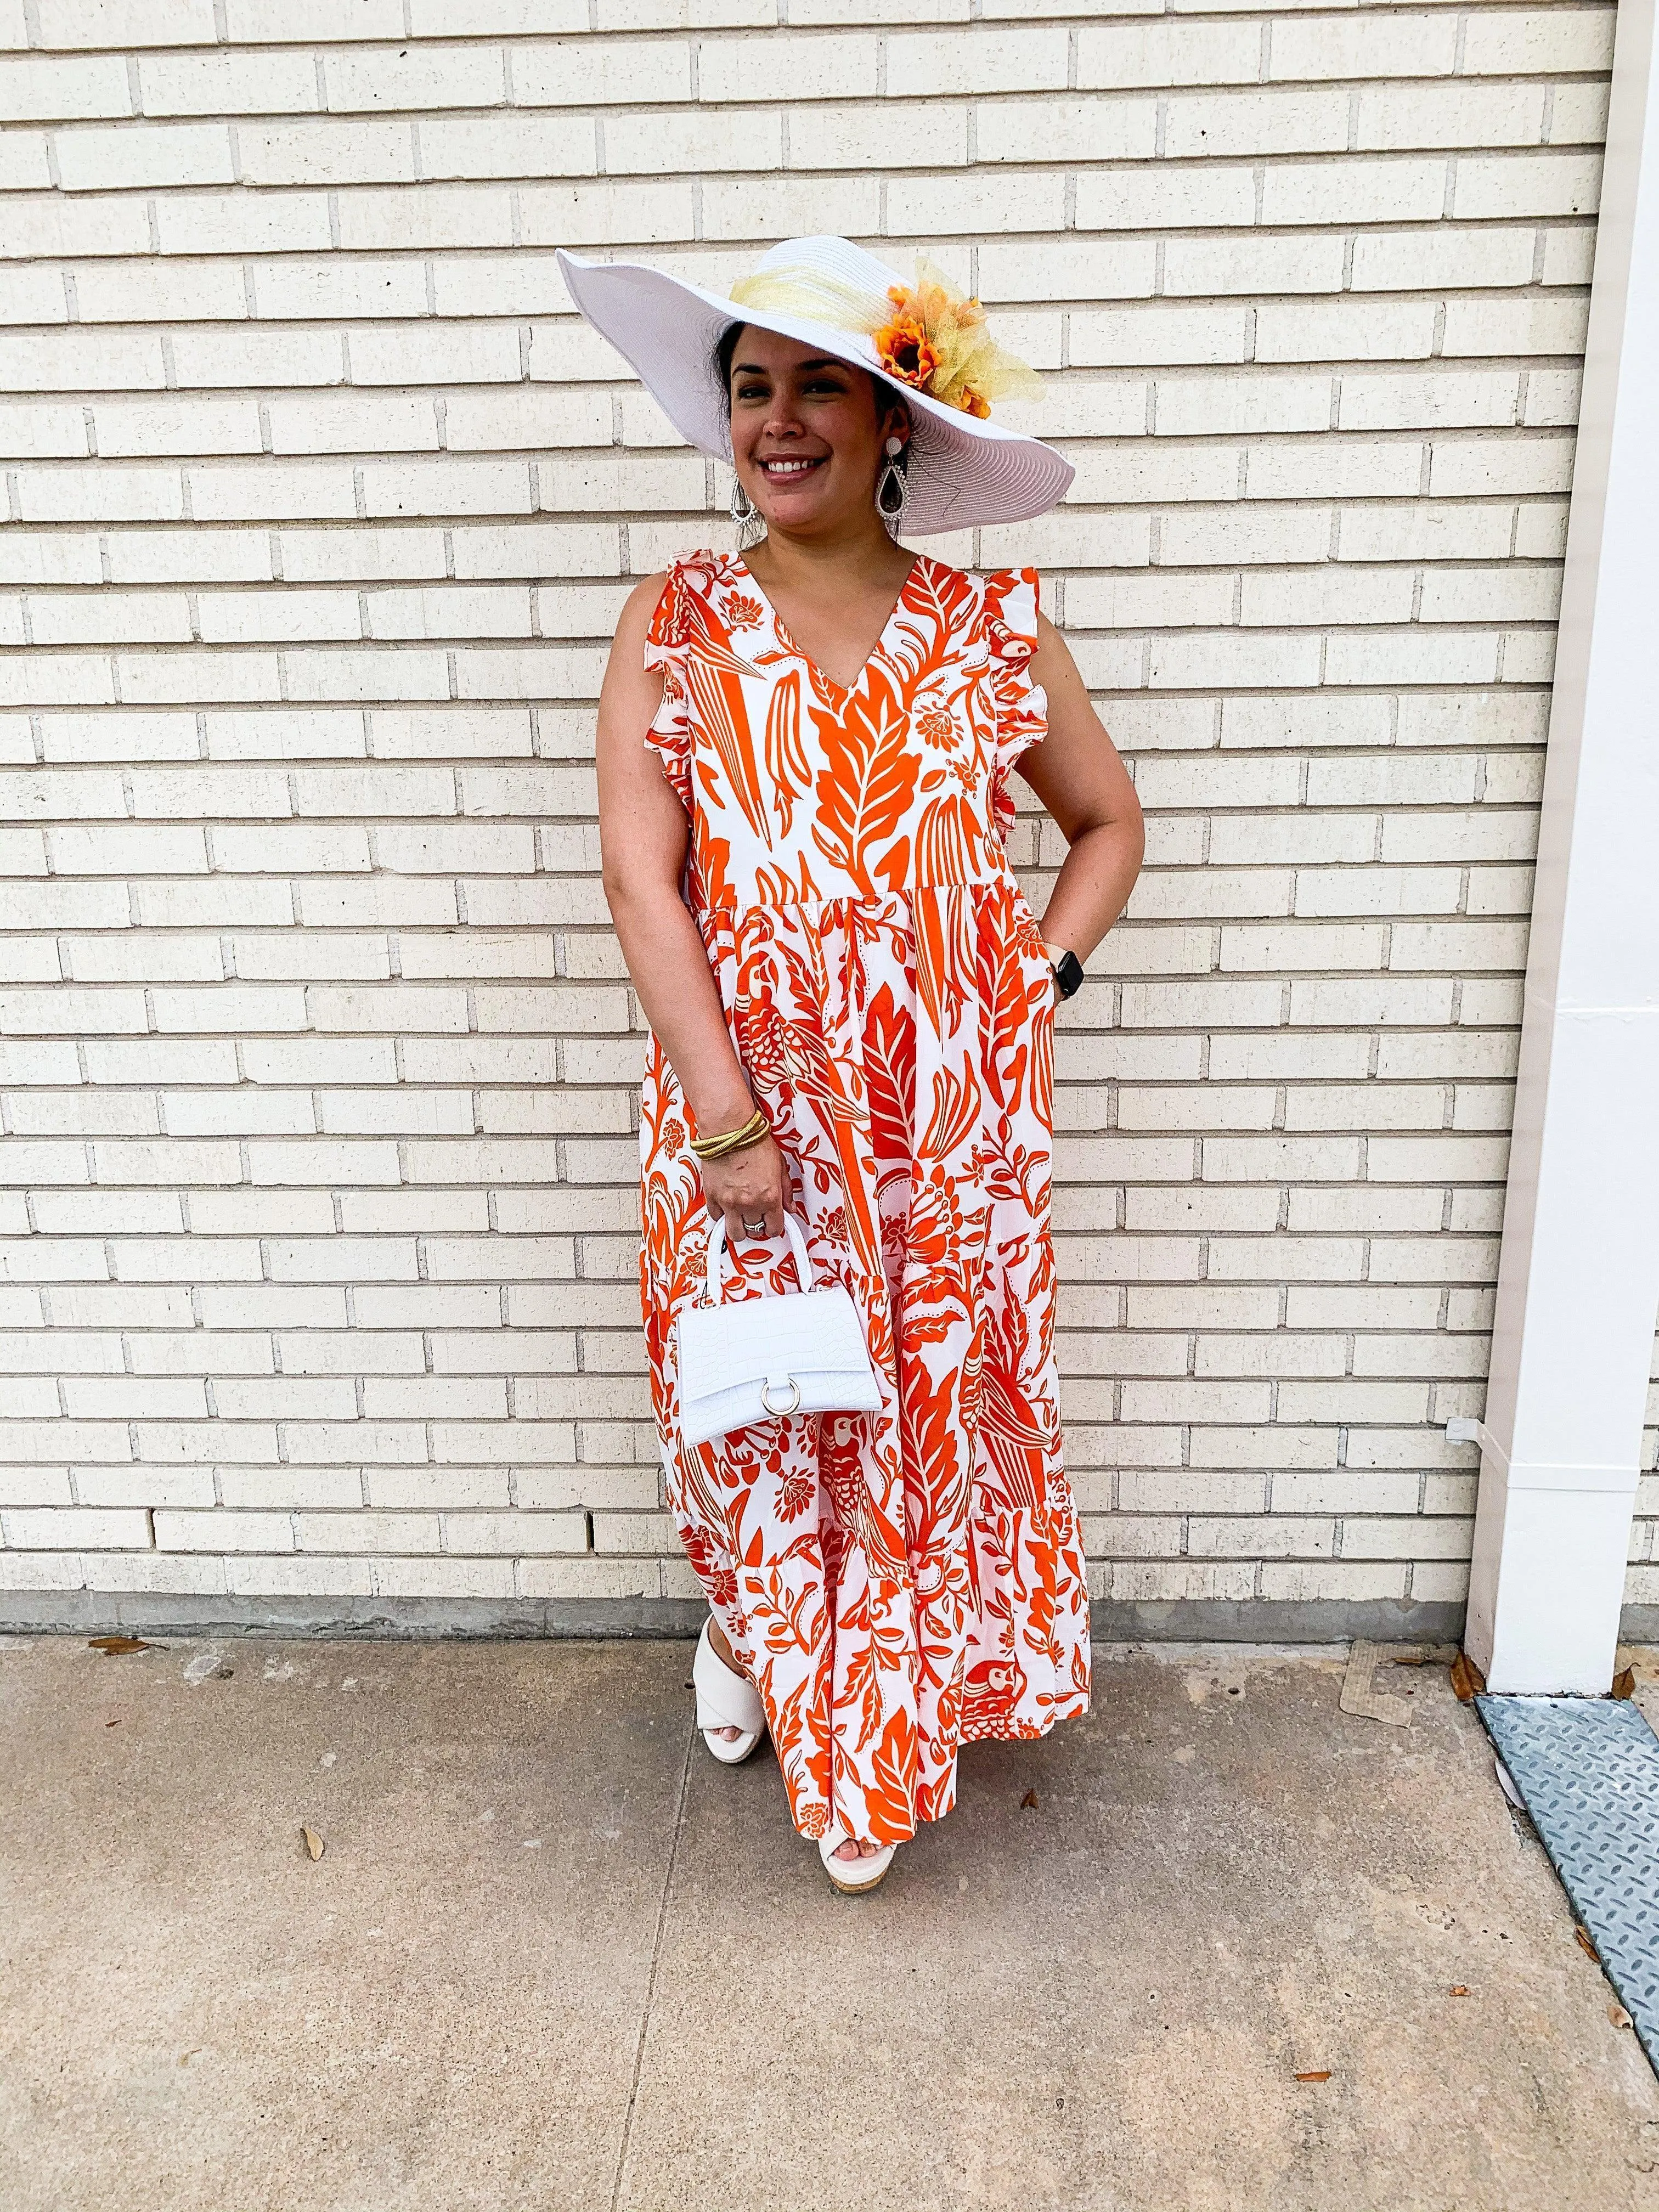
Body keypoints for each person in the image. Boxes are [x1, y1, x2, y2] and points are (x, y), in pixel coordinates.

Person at [562, 236, 1144, 1894]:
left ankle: (873, 1716)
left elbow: (1107, 826)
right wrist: (728, 1113)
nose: (781, 421)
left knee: (918, 1418)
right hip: (745, 1104)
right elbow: (639, 884)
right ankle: (760, 1641)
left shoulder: (985, 629)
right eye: (753, 387)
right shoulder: (674, 625)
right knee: (763, 1411)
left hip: (951, 1130)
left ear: (897, 421)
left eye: (824, 384)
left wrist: (1036, 979)